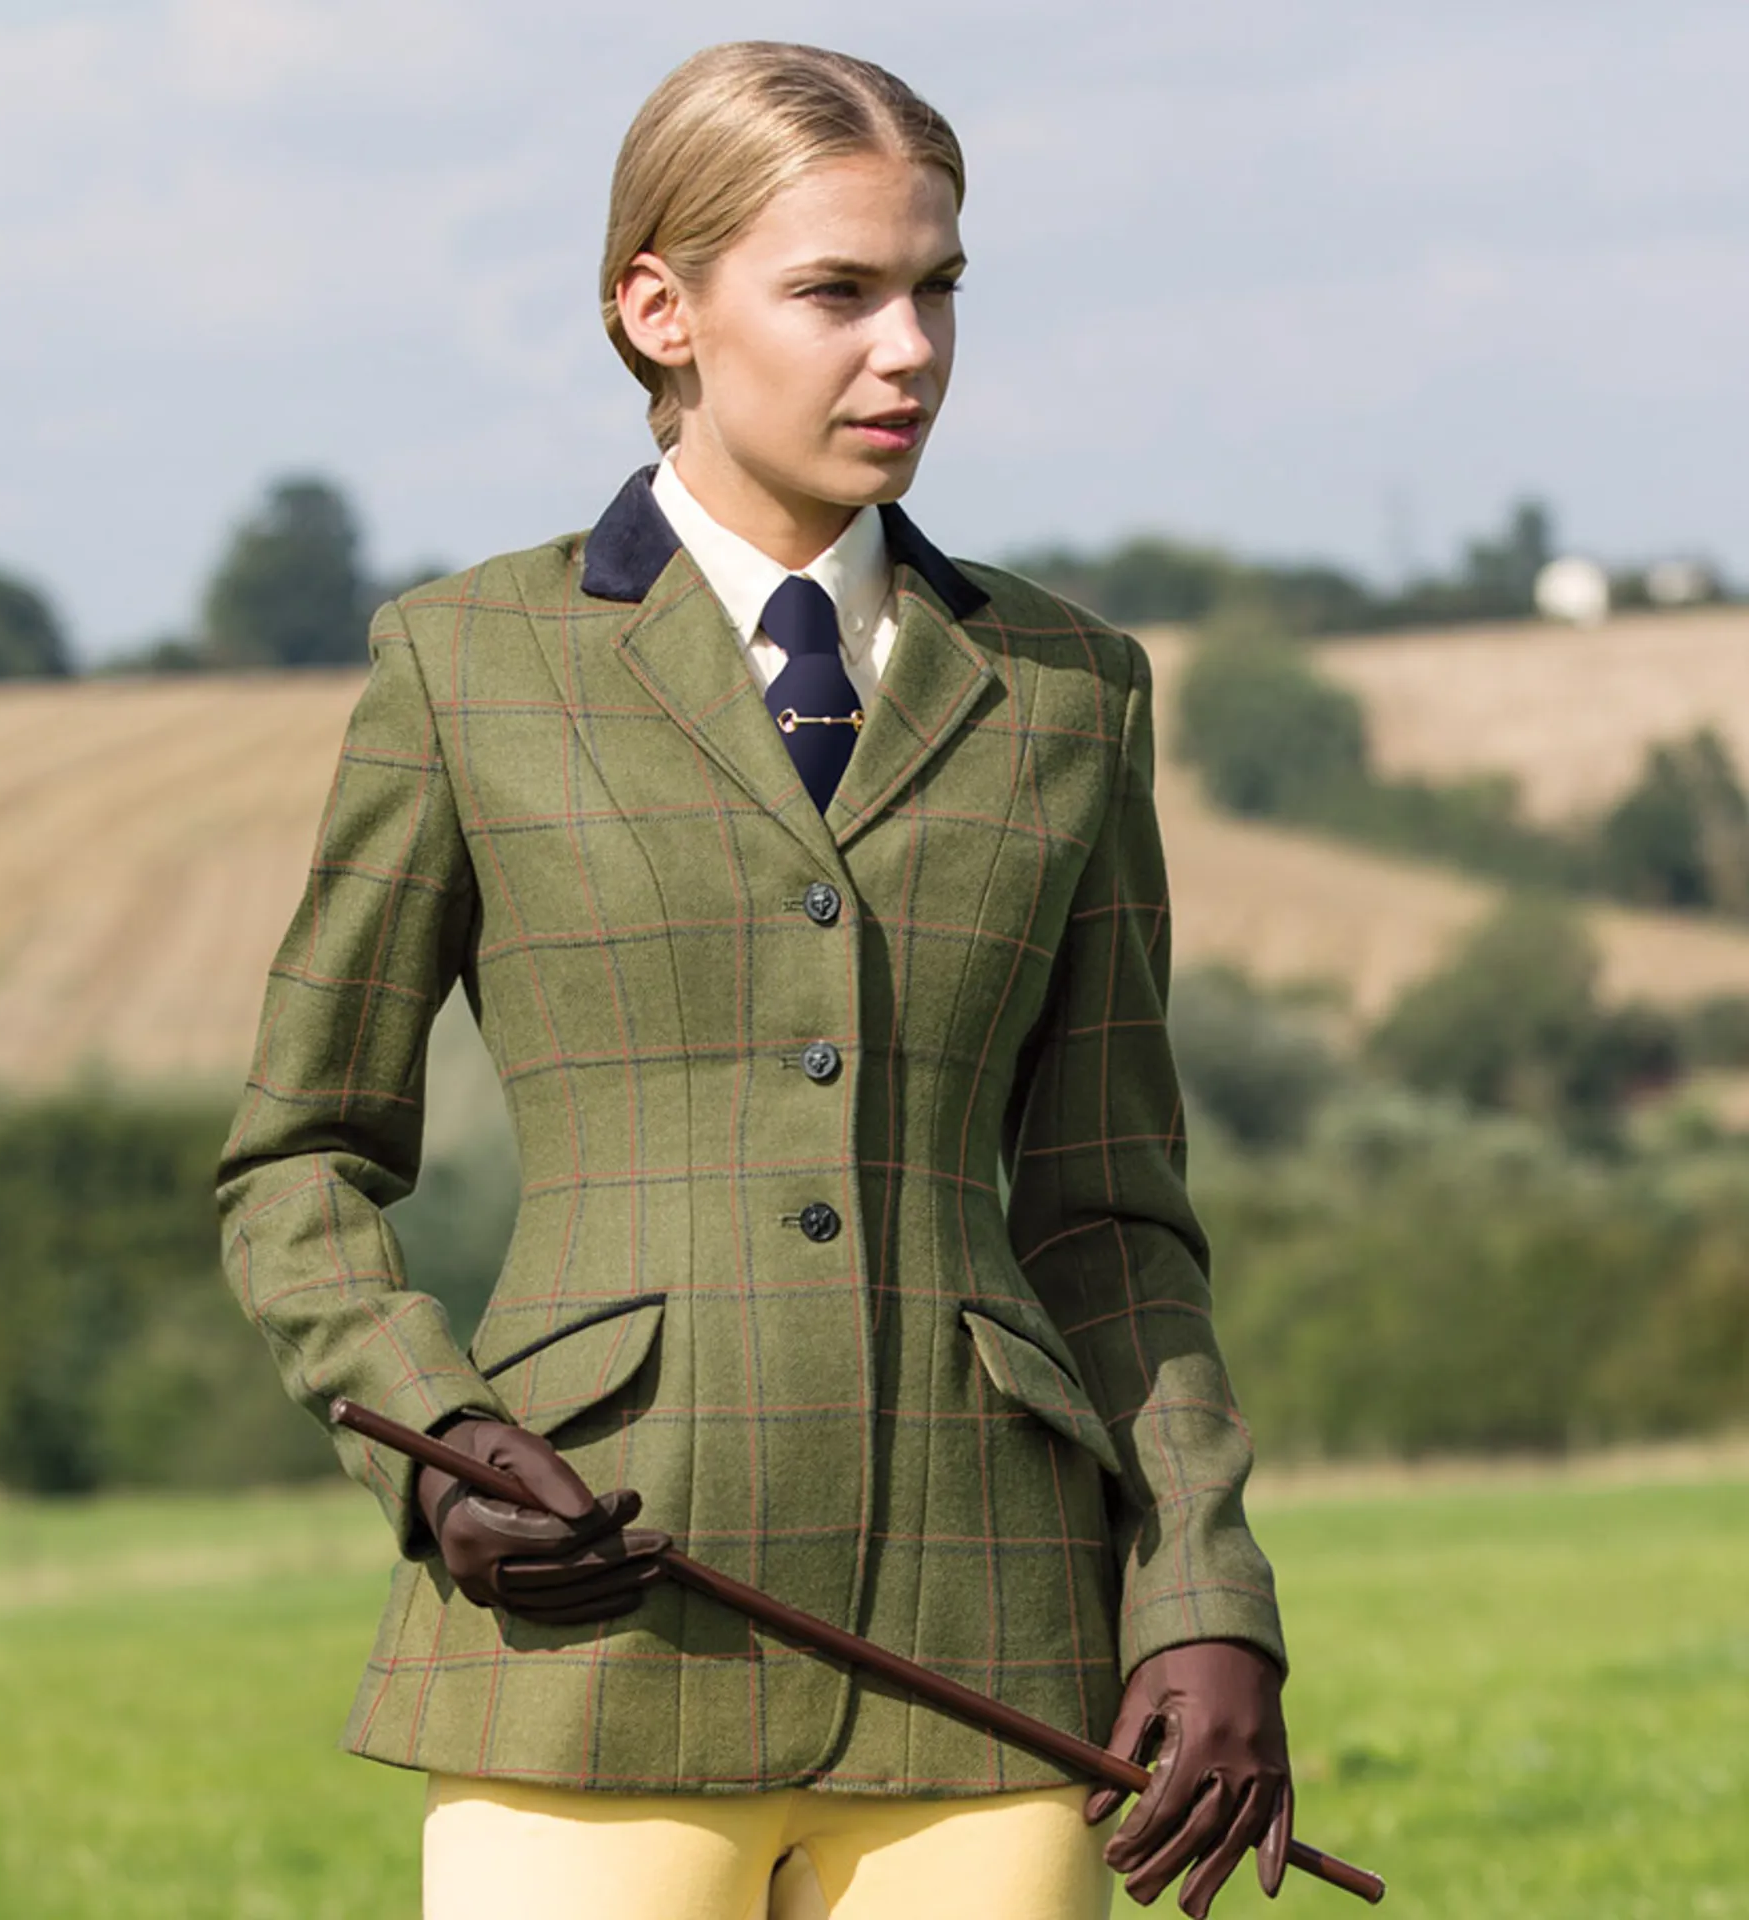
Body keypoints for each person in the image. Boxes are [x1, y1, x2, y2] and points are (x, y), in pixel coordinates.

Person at [218, 40, 1293, 1920]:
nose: (911, 351)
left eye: (938, 288)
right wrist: (435, 1445)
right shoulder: (468, 668)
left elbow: (1113, 1214)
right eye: (839, 292)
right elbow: (296, 1163)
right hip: (592, 1630)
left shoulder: (1069, 693)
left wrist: (1207, 1595)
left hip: (991, 1643)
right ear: (662, 310)